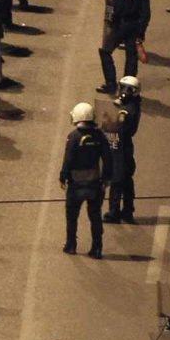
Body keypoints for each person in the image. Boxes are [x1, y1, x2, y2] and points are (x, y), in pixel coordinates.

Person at [57, 103, 112, 256]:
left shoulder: (74, 137)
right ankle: (97, 248)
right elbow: (107, 158)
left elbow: (68, 159)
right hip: (95, 183)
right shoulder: (100, 136)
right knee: (95, 216)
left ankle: (71, 244)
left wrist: (63, 176)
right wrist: (106, 178)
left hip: (76, 184)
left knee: (72, 216)